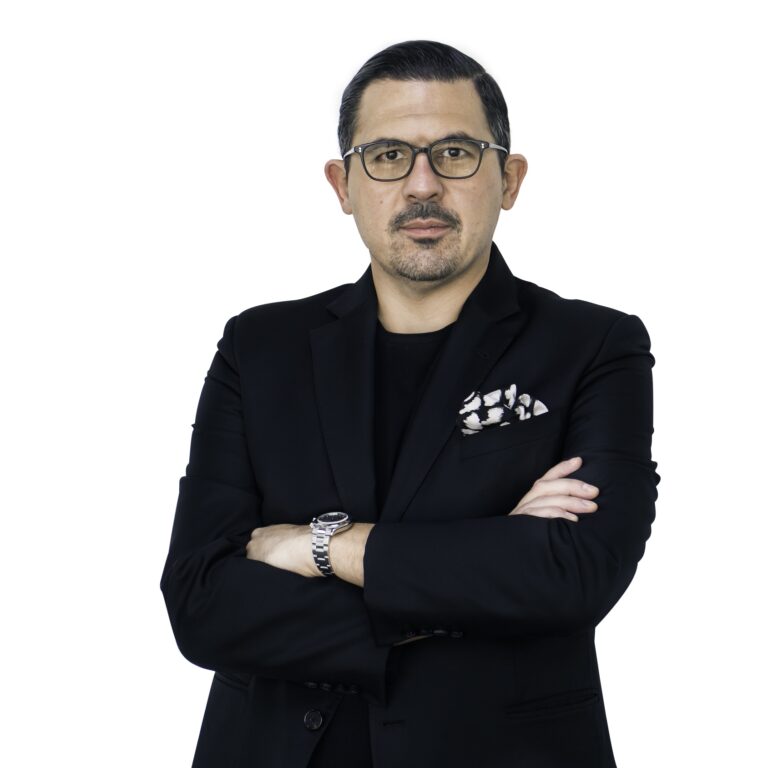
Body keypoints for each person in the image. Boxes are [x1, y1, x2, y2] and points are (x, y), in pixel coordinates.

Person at [160, 39, 660, 768]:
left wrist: (318, 548)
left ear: (509, 179)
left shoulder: (593, 345)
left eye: (455, 153)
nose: (422, 184)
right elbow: (201, 603)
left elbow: (575, 574)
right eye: (388, 155)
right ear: (343, 184)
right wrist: (483, 568)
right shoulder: (259, 346)